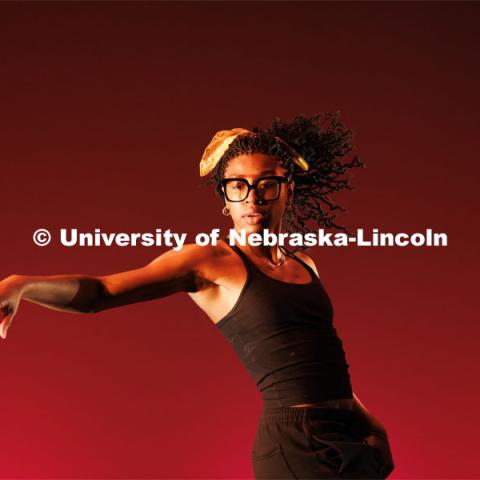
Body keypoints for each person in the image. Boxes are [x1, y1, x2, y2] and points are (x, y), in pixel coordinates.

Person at [0, 113, 395, 479]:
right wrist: (21, 283)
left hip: (350, 436)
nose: (253, 199)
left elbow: (319, 362)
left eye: (266, 184)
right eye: (238, 186)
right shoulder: (209, 260)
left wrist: (372, 425)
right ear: (224, 198)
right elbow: (102, 291)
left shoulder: (304, 263)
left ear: (287, 190)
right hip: (297, 444)